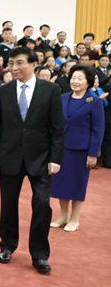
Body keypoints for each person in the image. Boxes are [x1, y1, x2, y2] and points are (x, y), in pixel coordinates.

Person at [0, 47, 64, 275]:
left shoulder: (51, 90)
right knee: (8, 204)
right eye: (11, 63)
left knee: (42, 204)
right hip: (10, 156)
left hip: (41, 158)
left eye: (19, 63)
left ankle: (39, 254)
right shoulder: (3, 91)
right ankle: (7, 246)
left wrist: (55, 158)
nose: (14, 68)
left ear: (33, 64)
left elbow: (58, 129)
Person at [49, 64, 105, 232]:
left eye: (80, 78)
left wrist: (93, 153)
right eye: (73, 77)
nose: (75, 81)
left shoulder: (94, 101)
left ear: (88, 81)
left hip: (81, 151)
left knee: (77, 184)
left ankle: (74, 219)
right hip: (62, 149)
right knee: (60, 183)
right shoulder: (63, 98)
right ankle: (63, 216)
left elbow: (98, 130)